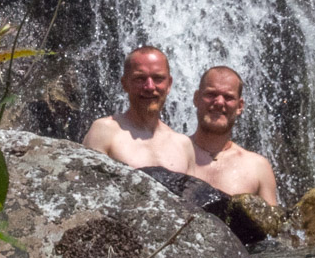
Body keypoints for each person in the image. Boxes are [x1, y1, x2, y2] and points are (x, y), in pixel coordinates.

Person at [82, 46, 195, 174]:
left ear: (169, 84)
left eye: (158, 78)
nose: (150, 87)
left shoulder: (183, 144)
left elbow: (192, 193)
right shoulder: (104, 131)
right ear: (125, 84)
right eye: (140, 79)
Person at [186, 66, 278, 205]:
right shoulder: (173, 154)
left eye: (228, 97)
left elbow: (272, 226)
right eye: (211, 94)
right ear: (196, 98)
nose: (219, 102)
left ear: (240, 106)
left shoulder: (257, 167)